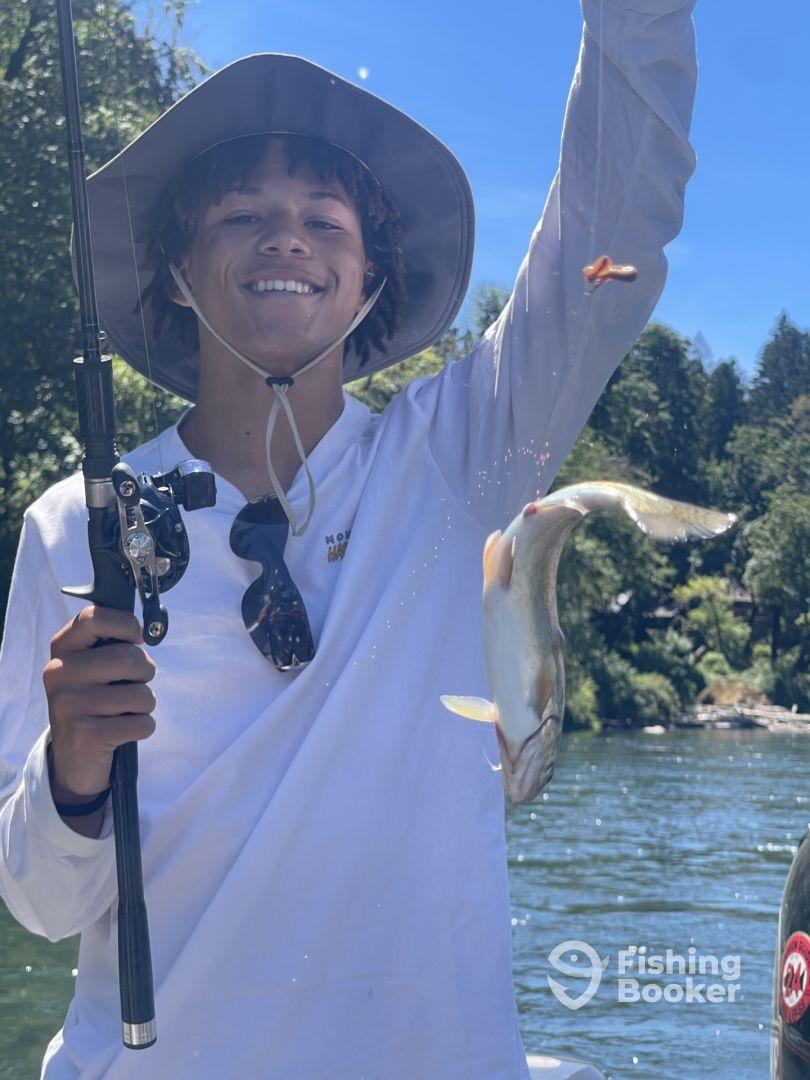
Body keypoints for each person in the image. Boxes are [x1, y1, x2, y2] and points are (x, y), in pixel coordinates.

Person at [0, 1, 698, 1076]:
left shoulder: (467, 454)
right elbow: (42, 904)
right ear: (178, 267)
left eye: (326, 220)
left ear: (372, 277)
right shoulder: (70, 525)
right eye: (240, 214)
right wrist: (75, 769)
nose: (286, 237)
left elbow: (614, 243)